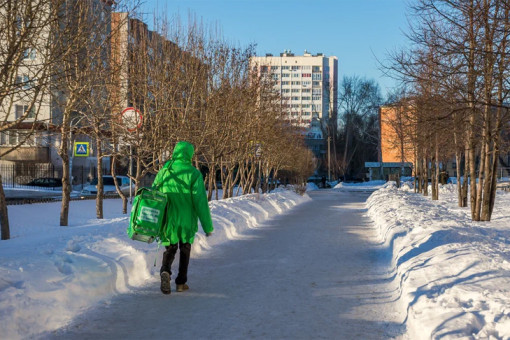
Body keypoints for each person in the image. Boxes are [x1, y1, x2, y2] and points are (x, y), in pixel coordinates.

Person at [152, 141, 214, 295]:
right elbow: (200, 201)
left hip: (168, 217)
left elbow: (153, 194)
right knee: (185, 248)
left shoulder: (164, 171)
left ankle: (165, 271)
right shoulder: (194, 173)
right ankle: (181, 282)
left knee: (170, 247)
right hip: (186, 219)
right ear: (190, 155)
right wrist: (207, 226)